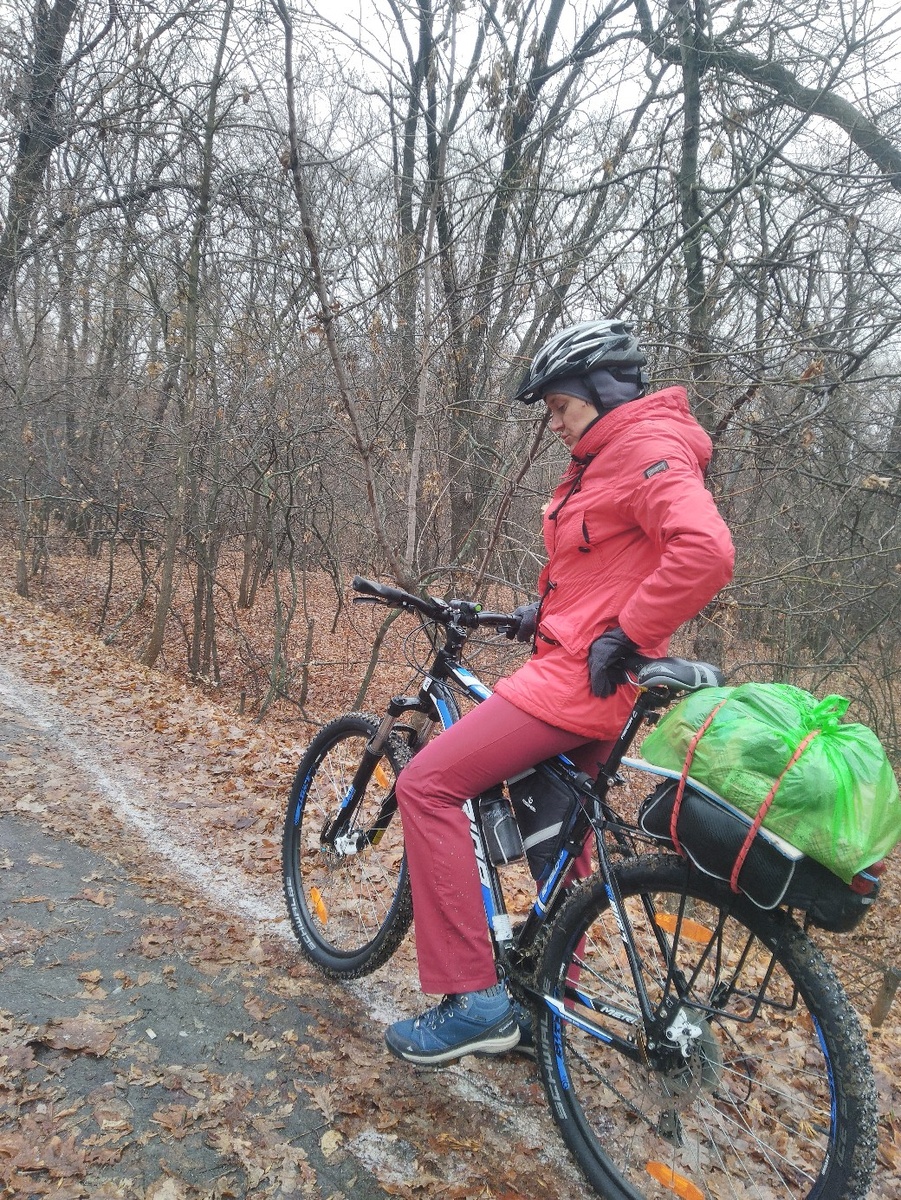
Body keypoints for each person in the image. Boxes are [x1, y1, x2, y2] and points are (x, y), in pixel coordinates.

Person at [385, 319, 735, 1065]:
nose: (552, 421)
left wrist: (628, 632)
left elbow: (703, 550)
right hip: (583, 670)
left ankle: (474, 1000)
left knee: (427, 785)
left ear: (600, 392)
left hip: (576, 682)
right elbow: (612, 560)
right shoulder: (607, 458)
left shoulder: (644, 448)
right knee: (555, 839)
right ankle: (549, 999)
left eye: (558, 405)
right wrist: (545, 612)